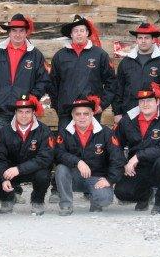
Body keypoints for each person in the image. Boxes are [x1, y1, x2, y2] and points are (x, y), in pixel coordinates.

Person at [48, 15, 116, 203]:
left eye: (82, 30)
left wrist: (102, 104)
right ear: (71, 34)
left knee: (92, 149)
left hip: (91, 112)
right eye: (75, 31)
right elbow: (52, 84)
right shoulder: (60, 56)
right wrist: (58, 105)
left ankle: (89, 185)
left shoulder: (99, 55)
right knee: (62, 149)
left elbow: (111, 83)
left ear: (88, 33)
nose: (79, 34)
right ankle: (57, 188)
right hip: (67, 113)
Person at [113, 83, 160, 214]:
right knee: (122, 192)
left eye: (149, 100)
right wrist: (123, 163)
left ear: (158, 101)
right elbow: (115, 144)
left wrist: (138, 156)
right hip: (139, 167)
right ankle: (145, 196)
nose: (145, 104)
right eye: (142, 101)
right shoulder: (128, 120)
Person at [54, 95, 125, 216]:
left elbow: (117, 158)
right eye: (78, 114)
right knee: (61, 169)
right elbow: (58, 154)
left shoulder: (106, 133)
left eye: (86, 114)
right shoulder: (64, 132)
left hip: (97, 177)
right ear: (72, 115)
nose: (82, 117)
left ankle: (95, 201)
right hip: (74, 177)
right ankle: (66, 204)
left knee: (105, 199)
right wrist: (78, 162)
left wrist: (110, 180)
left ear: (92, 114)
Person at [0, 13, 49, 131]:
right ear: (9, 32)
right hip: (1, 110)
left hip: (25, 111)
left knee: (24, 141)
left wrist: (31, 97)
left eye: (21, 31)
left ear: (26, 33)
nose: (17, 34)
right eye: (14, 30)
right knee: (0, 141)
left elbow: (43, 80)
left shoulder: (36, 55)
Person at [0, 94, 54, 216]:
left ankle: (37, 200)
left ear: (33, 113)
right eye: (20, 112)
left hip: (33, 170)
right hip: (10, 172)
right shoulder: (4, 131)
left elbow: (45, 158)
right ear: (15, 113)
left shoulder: (44, 131)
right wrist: (3, 179)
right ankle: (7, 198)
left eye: (27, 112)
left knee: (43, 175)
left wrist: (19, 169)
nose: (24, 115)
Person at [112, 22, 160, 123]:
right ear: (136, 40)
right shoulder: (126, 62)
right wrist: (117, 112)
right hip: (129, 113)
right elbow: (118, 89)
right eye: (140, 38)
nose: (143, 41)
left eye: (147, 38)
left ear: (153, 40)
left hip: (154, 114)